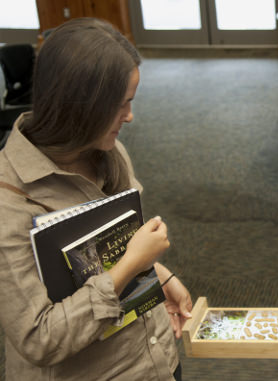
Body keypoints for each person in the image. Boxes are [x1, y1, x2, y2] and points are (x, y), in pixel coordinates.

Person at [0, 18, 192, 380]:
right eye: (120, 105)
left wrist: (159, 276)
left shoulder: (109, 151)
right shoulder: (9, 202)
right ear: (80, 107)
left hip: (154, 359)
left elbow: (115, 249)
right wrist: (129, 266)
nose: (130, 117)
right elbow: (40, 339)